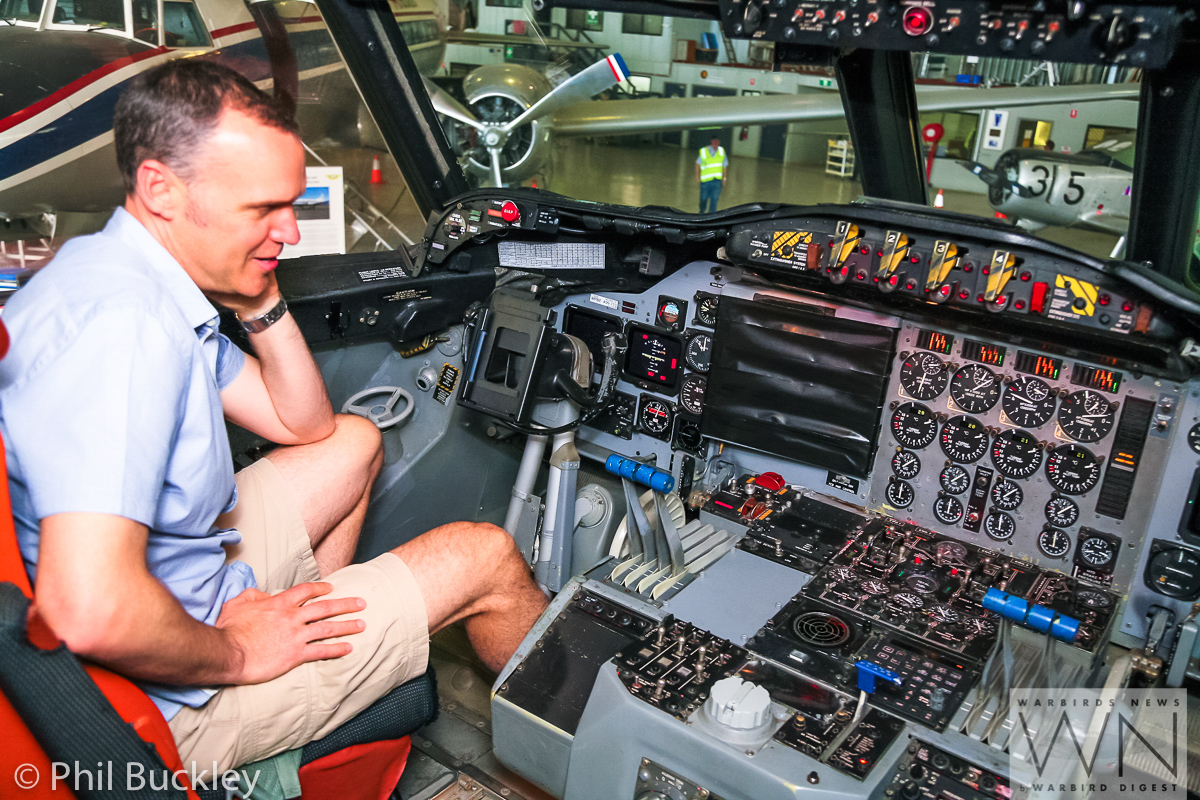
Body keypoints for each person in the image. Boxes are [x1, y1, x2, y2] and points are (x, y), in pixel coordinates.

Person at [0, 59, 548, 773]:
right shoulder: (124, 330)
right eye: (262, 210)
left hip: (183, 577)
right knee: (490, 560)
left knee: (354, 442)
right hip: (167, 699)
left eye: (289, 204)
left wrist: (258, 296)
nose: (289, 232)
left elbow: (306, 427)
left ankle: (304, 624)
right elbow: (91, 608)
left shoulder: (120, 274)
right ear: (161, 190)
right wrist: (241, 650)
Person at [696, 136, 728, 214]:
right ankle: (702, 211)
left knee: (714, 199)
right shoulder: (704, 151)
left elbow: (725, 165)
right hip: (705, 181)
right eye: (714, 141)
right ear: (711, 142)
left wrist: (724, 178)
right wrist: (697, 176)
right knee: (703, 198)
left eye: (717, 141)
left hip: (717, 181)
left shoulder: (721, 151)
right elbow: (697, 163)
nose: (716, 143)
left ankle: (711, 215)